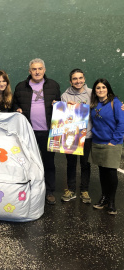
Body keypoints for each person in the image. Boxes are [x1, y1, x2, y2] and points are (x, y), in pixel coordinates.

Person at [12, 58, 60, 205]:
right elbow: (14, 104)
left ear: (44, 70)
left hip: (48, 132)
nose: (37, 71)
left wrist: (58, 104)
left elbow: (59, 104)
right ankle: (29, 190)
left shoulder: (53, 85)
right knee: (28, 162)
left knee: (48, 162)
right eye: (34, 69)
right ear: (30, 71)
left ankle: (49, 191)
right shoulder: (21, 87)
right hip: (28, 132)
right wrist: (16, 109)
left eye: (40, 69)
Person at [90, 78, 124, 215]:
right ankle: (104, 198)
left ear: (108, 89)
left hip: (111, 143)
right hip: (97, 142)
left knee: (111, 173)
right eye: (98, 88)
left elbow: (121, 124)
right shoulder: (94, 103)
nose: (101, 90)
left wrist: (114, 141)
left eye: (103, 87)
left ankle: (111, 202)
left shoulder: (115, 103)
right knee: (102, 172)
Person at [60, 69, 92, 203]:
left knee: (85, 164)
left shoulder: (91, 93)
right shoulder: (65, 96)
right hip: (71, 135)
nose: (78, 81)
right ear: (70, 81)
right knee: (71, 163)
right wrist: (65, 108)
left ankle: (84, 190)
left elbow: (102, 104)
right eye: (75, 79)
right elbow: (62, 116)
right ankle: (71, 190)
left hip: (88, 134)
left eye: (80, 78)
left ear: (84, 79)